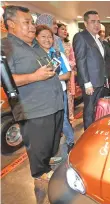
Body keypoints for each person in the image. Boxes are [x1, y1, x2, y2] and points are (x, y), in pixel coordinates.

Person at [2, 5, 64, 180]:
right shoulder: (5, 46)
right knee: (39, 145)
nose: (32, 26)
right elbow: (4, 79)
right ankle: (40, 172)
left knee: (51, 141)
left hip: (53, 104)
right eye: (27, 22)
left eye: (33, 22)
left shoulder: (35, 45)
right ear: (11, 24)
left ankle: (48, 160)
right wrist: (34, 77)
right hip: (34, 109)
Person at [36, 25, 75, 154]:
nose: (47, 40)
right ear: (36, 38)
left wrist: (49, 77)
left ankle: (70, 141)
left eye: (49, 37)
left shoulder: (57, 55)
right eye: (43, 36)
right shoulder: (33, 56)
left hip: (59, 93)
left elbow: (67, 74)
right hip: (41, 95)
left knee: (62, 119)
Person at [73, 10, 105, 130]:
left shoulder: (97, 39)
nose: (96, 24)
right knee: (89, 110)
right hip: (90, 83)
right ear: (86, 24)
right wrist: (87, 83)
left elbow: (100, 61)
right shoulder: (81, 37)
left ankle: (94, 131)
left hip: (99, 81)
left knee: (97, 109)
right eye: (93, 21)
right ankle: (88, 134)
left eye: (98, 21)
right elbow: (80, 61)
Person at [56, 23, 77, 122]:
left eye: (65, 29)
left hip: (69, 74)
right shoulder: (53, 43)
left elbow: (73, 59)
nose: (65, 31)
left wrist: (67, 64)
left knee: (70, 96)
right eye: (62, 29)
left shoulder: (68, 45)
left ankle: (70, 117)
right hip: (57, 74)